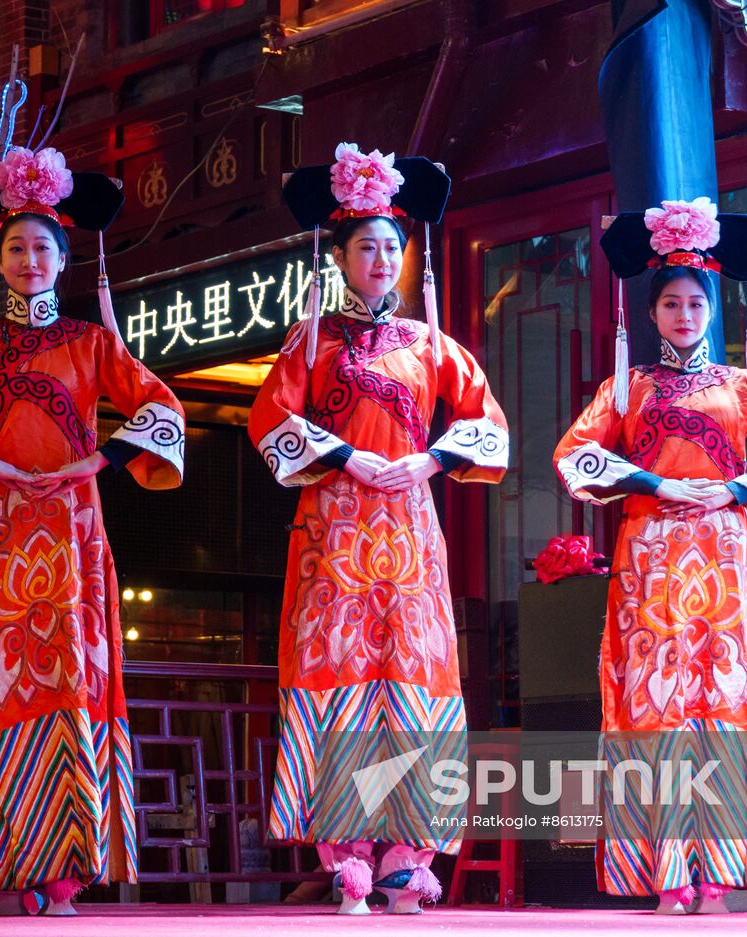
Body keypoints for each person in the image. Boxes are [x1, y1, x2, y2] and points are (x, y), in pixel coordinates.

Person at [0, 145, 185, 915]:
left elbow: (160, 408)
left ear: (62, 258)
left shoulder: (90, 343)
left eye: (41, 247)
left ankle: (63, 871)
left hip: (72, 531)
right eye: (14, 247)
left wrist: (96, 464)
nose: (27, 259)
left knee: (69, 682)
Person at [249, 143, 510, 914]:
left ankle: (406, 855)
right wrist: (348, 458)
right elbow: (272, 419)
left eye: (392, 248)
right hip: (334, 531)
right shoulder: (310, 342)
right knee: (340, 680)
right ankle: (347, 854)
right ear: (339, 257)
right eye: (366, 246)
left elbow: (487, 425)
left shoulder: (433, 346)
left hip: (409, 530)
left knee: (416, 680)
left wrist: (429, 460)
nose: (381, 259)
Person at [553, 199, 747, 913]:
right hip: (651, 557)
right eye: (669, 302)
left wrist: (731, 487)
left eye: (695, 302)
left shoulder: (742, 387)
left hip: (725, 552)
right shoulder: (627, 386)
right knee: (655, 703)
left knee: (724, 701)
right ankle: (665, 872)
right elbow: (575, 457)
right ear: (651, 312)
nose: (683, 313)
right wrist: (651, 479)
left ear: (713, 309)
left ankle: (720, 872)